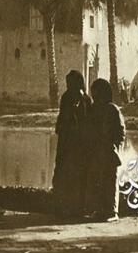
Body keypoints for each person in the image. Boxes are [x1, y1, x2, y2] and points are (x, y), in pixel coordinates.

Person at [83, 78, 124, 222]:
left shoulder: (112, 109)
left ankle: (112, 211)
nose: (95, 96)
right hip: (96, 151)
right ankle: (99, 210)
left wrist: (115, 145)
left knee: (110, 181)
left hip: (108, 151)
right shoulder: (93, 109)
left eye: (97, 93)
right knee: (97, 181)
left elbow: (120, 131)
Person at [52, 70, 91, 217]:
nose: (69, 85)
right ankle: (62, 206)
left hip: (79, 144)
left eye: (71, 83)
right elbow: (64, 119)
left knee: (79, 174)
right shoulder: (67, 98)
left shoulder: (85, 99)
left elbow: (88, 121)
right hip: (67, 143)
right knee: (64, 173)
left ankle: (79, 207)